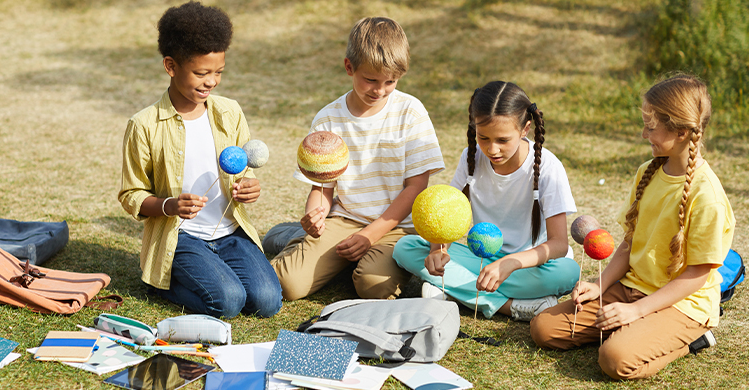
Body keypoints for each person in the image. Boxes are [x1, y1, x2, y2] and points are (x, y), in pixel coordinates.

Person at [531, 74, 735, 380]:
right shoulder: (647, 173)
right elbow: (630, 242)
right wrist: (600, 286)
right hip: (630, 288)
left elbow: (696, 275)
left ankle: (691, 339)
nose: (643, 134)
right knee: (543, 328)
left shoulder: (708, 198)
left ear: (681, 131)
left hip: (681, 305)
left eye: (651, 128)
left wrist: (637, 312)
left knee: (614, 358)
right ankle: (631, 330)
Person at [118, 1, 281, 319]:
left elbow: (241, 171)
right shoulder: (144, 124)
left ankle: (212, 270)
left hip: (230, 231)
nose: (212, 82)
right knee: (229, 302)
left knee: (266, 302)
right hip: (180, 235)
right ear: (171, 65)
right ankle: (160, 283)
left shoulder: (230, 112)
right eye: (201, 73)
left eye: (218, 72)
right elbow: (131, 195)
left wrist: (248, 188)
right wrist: (170, 206)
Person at [267, 17, 445, 301]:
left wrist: (370, 236)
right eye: (371, 80)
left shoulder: (411, 112)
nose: (380, 90)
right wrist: (316, 214)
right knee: (289, 285)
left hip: (397, 226)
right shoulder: (328, 118)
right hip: (346, 219)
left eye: (391, 81)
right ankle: (302, 241)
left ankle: (340, 257)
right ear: (349, 67)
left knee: (373, 286)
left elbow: (415, 187)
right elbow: (322, 188)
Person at [393, 81, 580, 321]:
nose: (492, 149)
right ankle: (509, 306)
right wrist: (437, 250)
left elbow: (558, 245)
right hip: (481, 259)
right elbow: (448, 217)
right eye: (484, 138)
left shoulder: (548, 168)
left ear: (525, 129)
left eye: (503, 140)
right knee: (406, 248)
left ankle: (453, 289)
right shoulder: (470, 158)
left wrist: (510, 263)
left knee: (568, 272)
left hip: (528, 265)